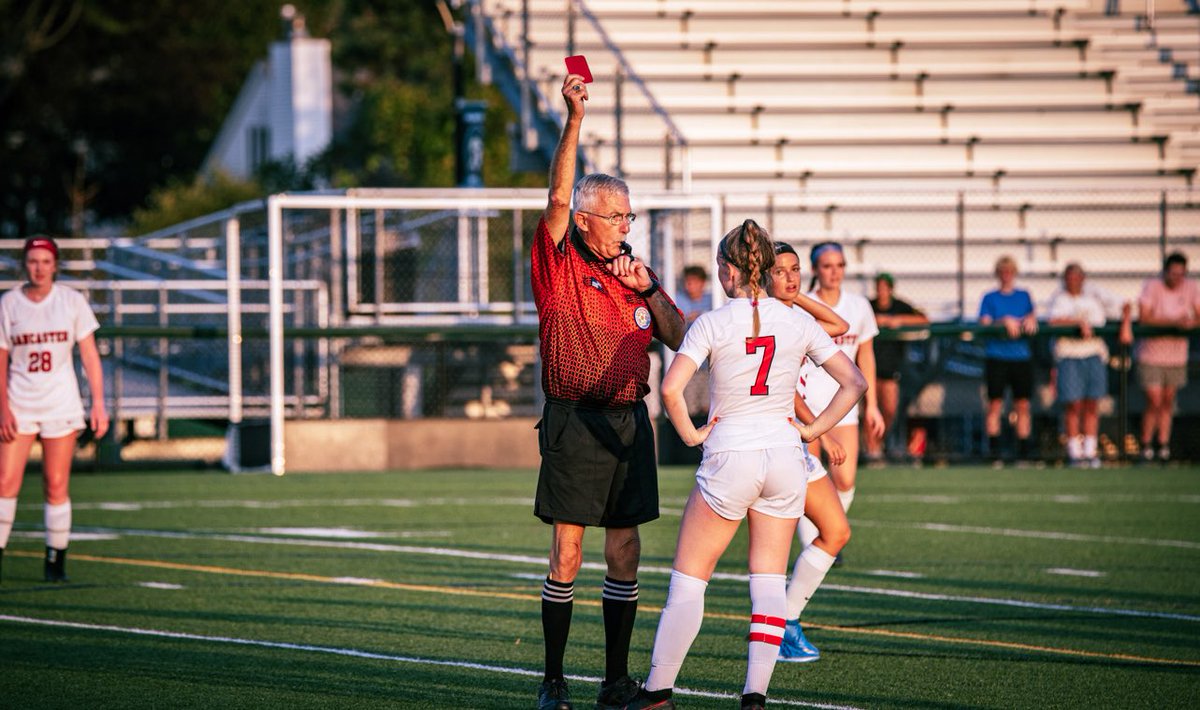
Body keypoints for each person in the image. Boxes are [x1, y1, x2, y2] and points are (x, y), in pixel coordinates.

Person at [624, 220, 866, 710]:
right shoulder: (797, 321)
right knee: (768, 582)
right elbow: (854, 381)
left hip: (729, 454)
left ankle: (656, 693)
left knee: (690, 580)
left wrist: (691, 434)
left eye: (720, 265)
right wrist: (815, 430)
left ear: (732, 270)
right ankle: (754, 697)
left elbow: (671, 389)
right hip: (783, 456)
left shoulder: (713, 322)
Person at [531, 72, 686, 710]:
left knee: (625, 548)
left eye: (628, 214)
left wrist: (649, 286)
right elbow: (559, 192)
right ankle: (554, 678)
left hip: (628, 422)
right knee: (568, 548)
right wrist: (574, 120)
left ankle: (615, 680)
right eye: (617, 215)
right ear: (589, 219)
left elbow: (679, 334)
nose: (626, 224)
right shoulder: (558, 259)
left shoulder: (636, 273)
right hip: (573, 419)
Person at [0, 236, 109, 583]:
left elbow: (90, 355)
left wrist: (99, 403)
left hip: (60, 404)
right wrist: (2, 407)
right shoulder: (9, 304)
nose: (39, 268)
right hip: (19, 403)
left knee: (56, 483)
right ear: (24, 265)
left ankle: (55, 562)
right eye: (33, 261)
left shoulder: (71, 302)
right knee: (5, 482)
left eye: (46, 262)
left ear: (55, 265)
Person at [767, 241, 852, 664]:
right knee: (755, 557)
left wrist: (796, 295)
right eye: (779, 271)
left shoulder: (795, 317)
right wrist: (819, 431)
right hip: (765, 444)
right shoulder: (763, 319)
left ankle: (786, 621)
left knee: (836, 531)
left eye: (796, 269)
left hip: (792, 443)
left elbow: (839, 325)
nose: (790, 277)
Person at [798, 241, 884, 565]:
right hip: (806, 401)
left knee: (845, 478)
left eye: (840, 265)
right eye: (827, 265)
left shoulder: (859, 305)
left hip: (843, 405)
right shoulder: (803, 305)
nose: (834, 272)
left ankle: (826, 535)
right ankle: (817, 547)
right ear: (816, 270)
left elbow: (866, 356)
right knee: (808, 476)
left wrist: (872, 405)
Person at [1044, 263, 1132, 468]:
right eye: (1069, 277)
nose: (1073, 281)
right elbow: (1053, 321)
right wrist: (1077, 323)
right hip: (1069, 355)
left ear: (1083, 278)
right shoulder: (1059, 298)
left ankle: (1091, 451)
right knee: (1073, 404)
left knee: (1092, 403)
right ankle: (1076, 452)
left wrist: (1126, 324)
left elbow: (1126, 305)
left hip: (1093, 354)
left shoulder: (1096, 294)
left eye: (1077, 277)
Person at [1135, 252, 1200, 463]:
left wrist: (1191, 323)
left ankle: (1163, 445)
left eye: (1180, 274)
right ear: (1165, 271)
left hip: (1176, 355)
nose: (1176, 278)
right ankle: (1145, 444)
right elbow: (1144, 317)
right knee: (1153, 400)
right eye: (1172, 273)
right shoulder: (1152, 286)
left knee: (1167, 401)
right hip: (1151, 354)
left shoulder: (1191, 287)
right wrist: (1173, 323)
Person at [978, 255, 1038, 466]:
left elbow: (1032, 317)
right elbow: (984, 322)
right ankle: (995, 453)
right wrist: (1003, 321)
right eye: (1002, 271)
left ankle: (1023, 453)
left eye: (1009, 271)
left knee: (1022, 405)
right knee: (995, 405)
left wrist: (1031, 319)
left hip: (1020, 357)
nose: (1006, 275)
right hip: (997, 357)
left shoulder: (1024, 296)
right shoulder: (990, 298)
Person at [867, 273, 928, 462]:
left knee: (889, 409)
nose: (882, 291)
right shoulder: (868, 306)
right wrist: (877, 320)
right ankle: (872, 451)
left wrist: (898, 320)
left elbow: (923, 320)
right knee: (870, 408)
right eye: (879, 286)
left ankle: (880, 440)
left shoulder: (901, 306)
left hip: (891, 367)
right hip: (870, 366)